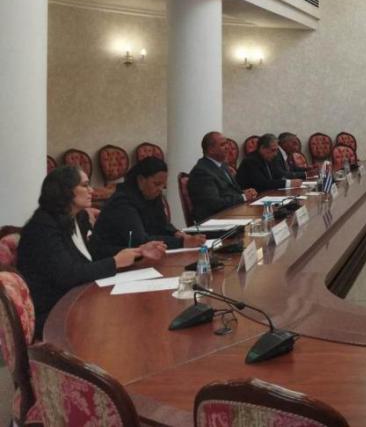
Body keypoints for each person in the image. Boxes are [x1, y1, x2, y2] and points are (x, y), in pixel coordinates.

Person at [17, 166, 165, 337]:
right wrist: (115, 262)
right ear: (66, 190)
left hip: (79, 297)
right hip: (54, 311)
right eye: (85, 185)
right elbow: (68, 274)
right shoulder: (43, 226)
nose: (91, 190)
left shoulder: (78, 218)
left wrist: (138, 252)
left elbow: (96, 252)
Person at [91, 157, 206, 258]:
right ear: (141, 180)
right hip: (112, 260)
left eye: (163, 185)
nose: (160, 189)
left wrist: (176, 233)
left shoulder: (151, 195)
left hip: (138, 257)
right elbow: (140, 241)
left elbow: (162, 224)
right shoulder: (122, 202)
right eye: (156, 184)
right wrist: (181, 243)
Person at [188, 131, 258, 223]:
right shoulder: (202, 172)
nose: (228, 147)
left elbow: (230, 191)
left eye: (227, 144)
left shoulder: (222, 165)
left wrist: (245, 193)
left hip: (232, 214)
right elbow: (214, 203)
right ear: (211, 150)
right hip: (214, 221)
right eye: (223, 145)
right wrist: (243, 197)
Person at [237, 133, 304, 192]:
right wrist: (289, 183)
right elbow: (263, 184)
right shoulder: (251, 161)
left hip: (267, 194)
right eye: (273, 150)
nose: (275, 154)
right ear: (262, 148)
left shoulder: (268, 158)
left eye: (276, 150)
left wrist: (294, 180)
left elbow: (278, 175)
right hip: (252, 198)